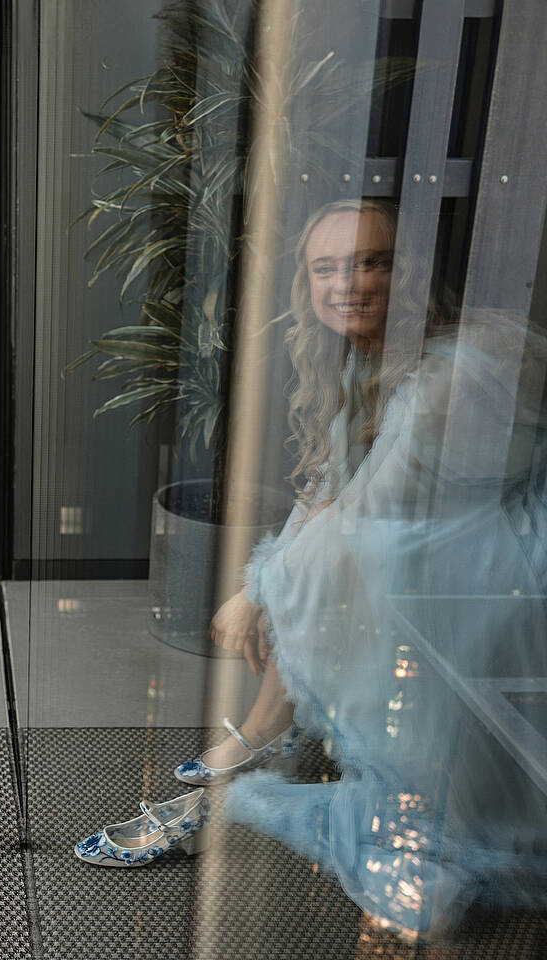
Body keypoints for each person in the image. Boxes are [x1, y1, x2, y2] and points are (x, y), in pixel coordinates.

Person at [177, 198, 547, 935]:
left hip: (503, 570)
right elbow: (330, 487)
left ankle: (269, 734)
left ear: (405, 275)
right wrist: (269, 580)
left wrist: (258, 589)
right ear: (306, 284)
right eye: (327, 267)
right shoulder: (366, 363)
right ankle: (263, 730)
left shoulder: (444, 381)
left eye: (371, 262)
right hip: (442, 549)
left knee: (349, 561)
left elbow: (362, 519)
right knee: (323, 556)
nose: (348, 283)